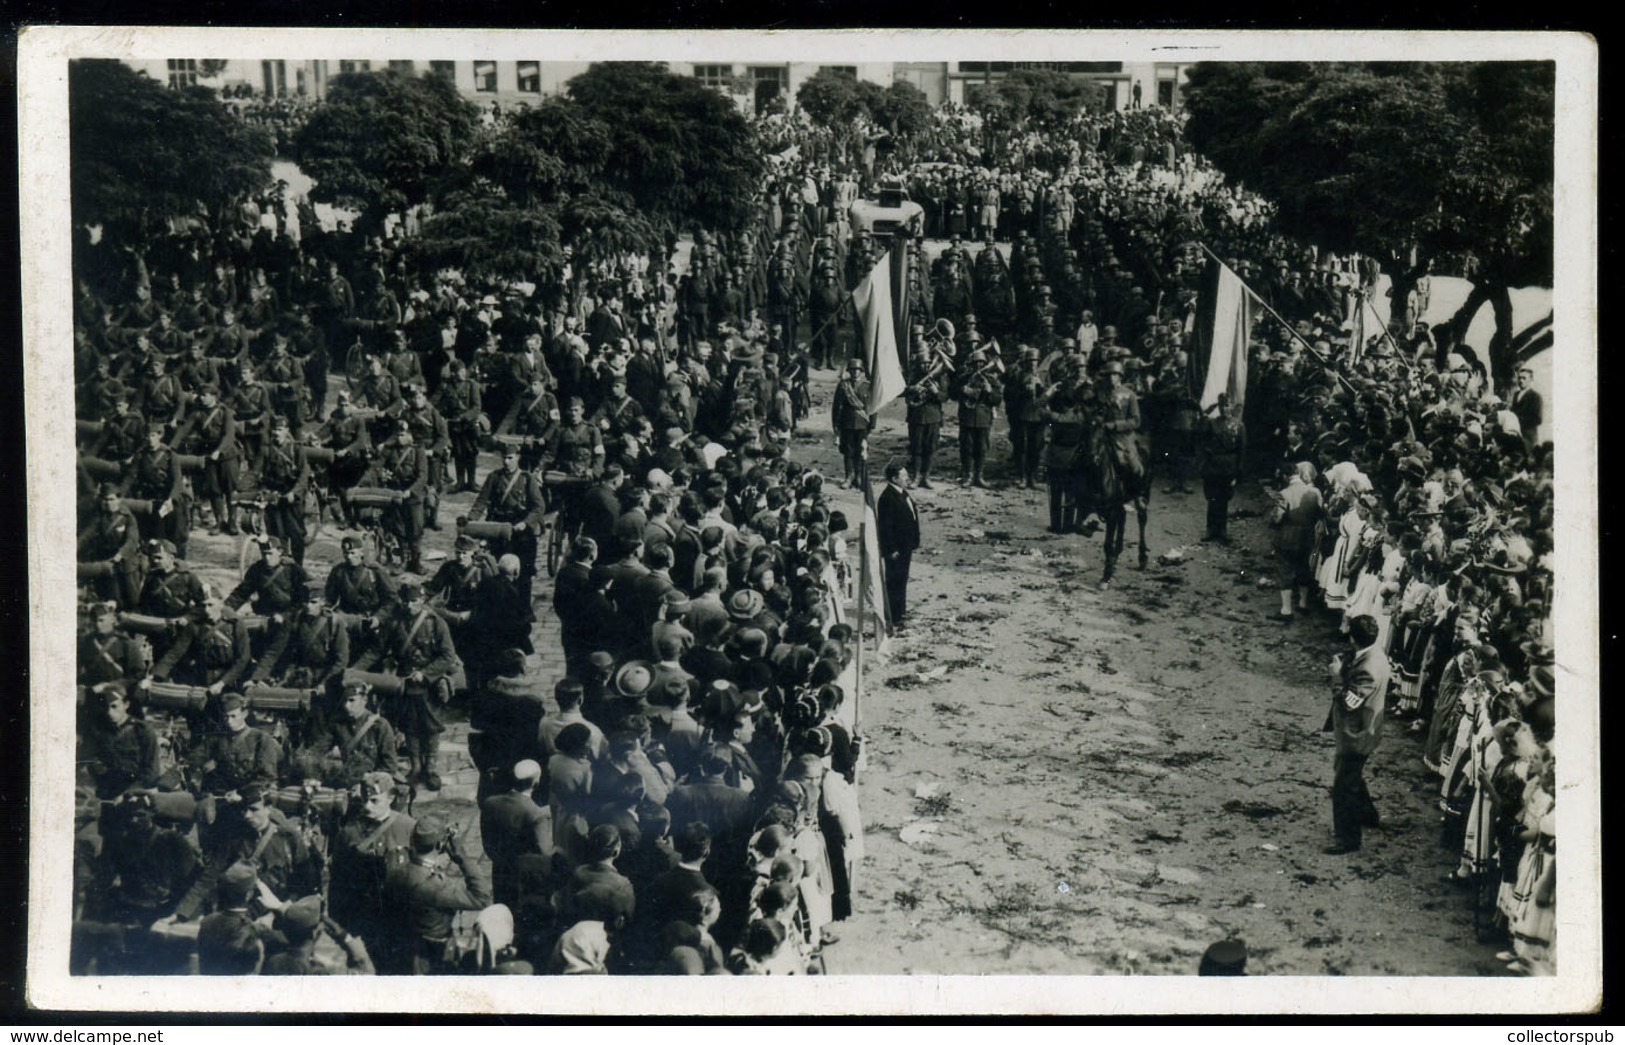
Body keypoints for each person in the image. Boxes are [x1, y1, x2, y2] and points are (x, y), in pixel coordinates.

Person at [379, 814, 493, 975]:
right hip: (432, 957)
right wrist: (462, 857)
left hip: (403, 947)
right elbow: (482, 898)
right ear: (440, 845)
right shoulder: (436, 887)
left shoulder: (396, 871)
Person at [1325, 614, 1391, 855]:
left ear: (1353, 637)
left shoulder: (1368, 669)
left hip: (1357, 734)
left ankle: (1348, 838)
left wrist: (1336, 675)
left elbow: (1348, 703)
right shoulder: (1375, 655)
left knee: (1344, 786)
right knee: (1352, 777)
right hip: (1364, 731)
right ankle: (1368, 816)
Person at [875, 462, 921, 628]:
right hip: (896, 549)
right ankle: (894, 615)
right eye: (904, 476)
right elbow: (885, 527)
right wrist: (890, 549)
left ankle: (900, 611)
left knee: (901, 580)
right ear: (894, 478)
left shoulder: (902, 492)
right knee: (894, 581)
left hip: (905, 546)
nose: (907, 478)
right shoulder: (887, 498)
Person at [1196, 393, 1247, 542]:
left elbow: (1241, 450)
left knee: (1224, 499)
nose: (1224, 409)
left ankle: (1222, 530)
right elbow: (1202, 443)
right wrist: (1202, 465)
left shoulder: (1239, 426)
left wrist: (1238, 472)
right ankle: (1210, 529)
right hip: (1213, 466)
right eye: (1222, 405)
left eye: (1227, 405)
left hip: (1229, 467)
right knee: (1212, 498)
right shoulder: (1212, 423)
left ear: (1232, 406)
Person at [831, 361, 872, 490]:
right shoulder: (843, 385)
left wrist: (872, 424)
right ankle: (849, 476)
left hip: (862, 423)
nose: (855, 372)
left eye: (857, 370)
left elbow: (872, 407)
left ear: (861, 371)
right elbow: (836, 407)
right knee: (847, 451)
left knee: (860, 450)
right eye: (852, 370)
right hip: (846, 423)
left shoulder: (867, 386)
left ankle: (859, 476)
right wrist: (836, 425)